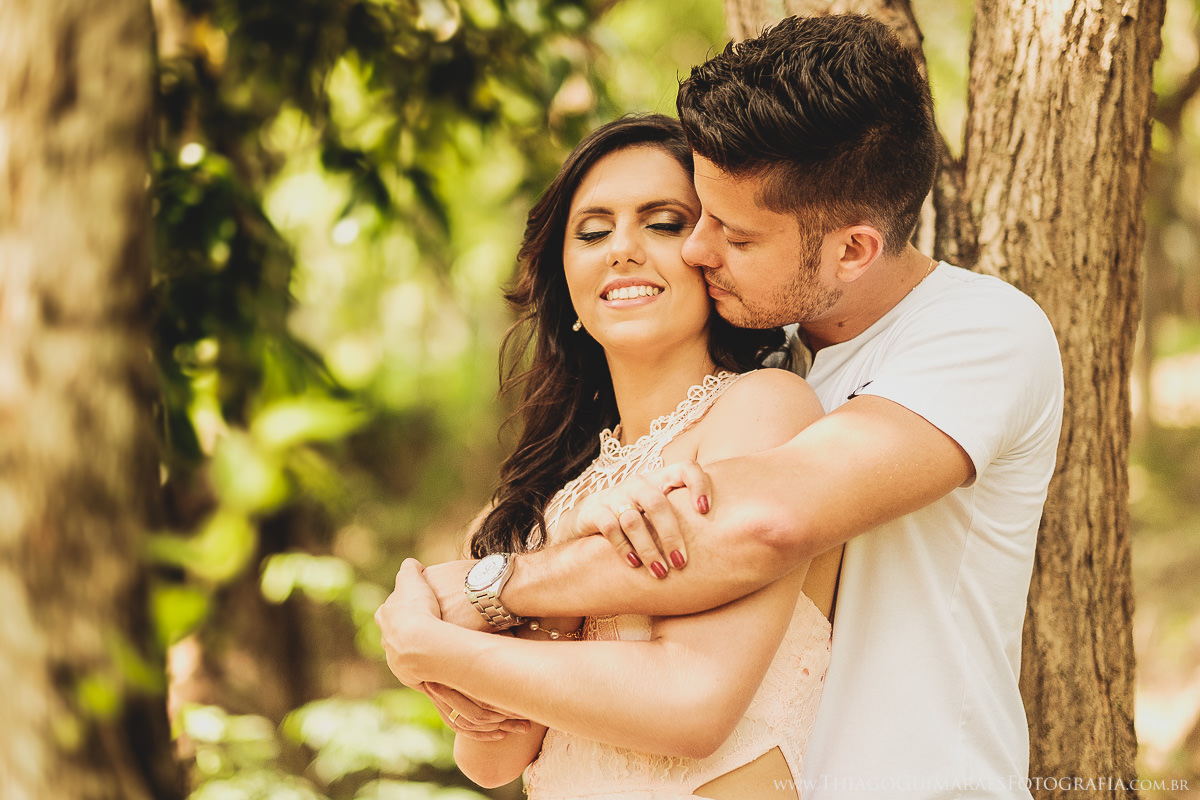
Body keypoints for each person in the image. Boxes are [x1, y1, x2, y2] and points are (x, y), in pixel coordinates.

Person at [380, 14, 1065, 799]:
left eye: (729, 235)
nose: (699, 251)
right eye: (697, 218)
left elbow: (752, 528)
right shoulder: (794, 356)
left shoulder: (976, 333)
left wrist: (479, 595)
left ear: (852, 251)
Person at [377, 114, 839, 797]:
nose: (622, 249)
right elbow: (493, 762)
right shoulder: (546, 499)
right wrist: (552, 588)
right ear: (565, 281)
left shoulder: (765, 409)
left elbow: (693, 709)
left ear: (714, 254)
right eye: (593, 231)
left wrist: (434, 646)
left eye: (662, 222)